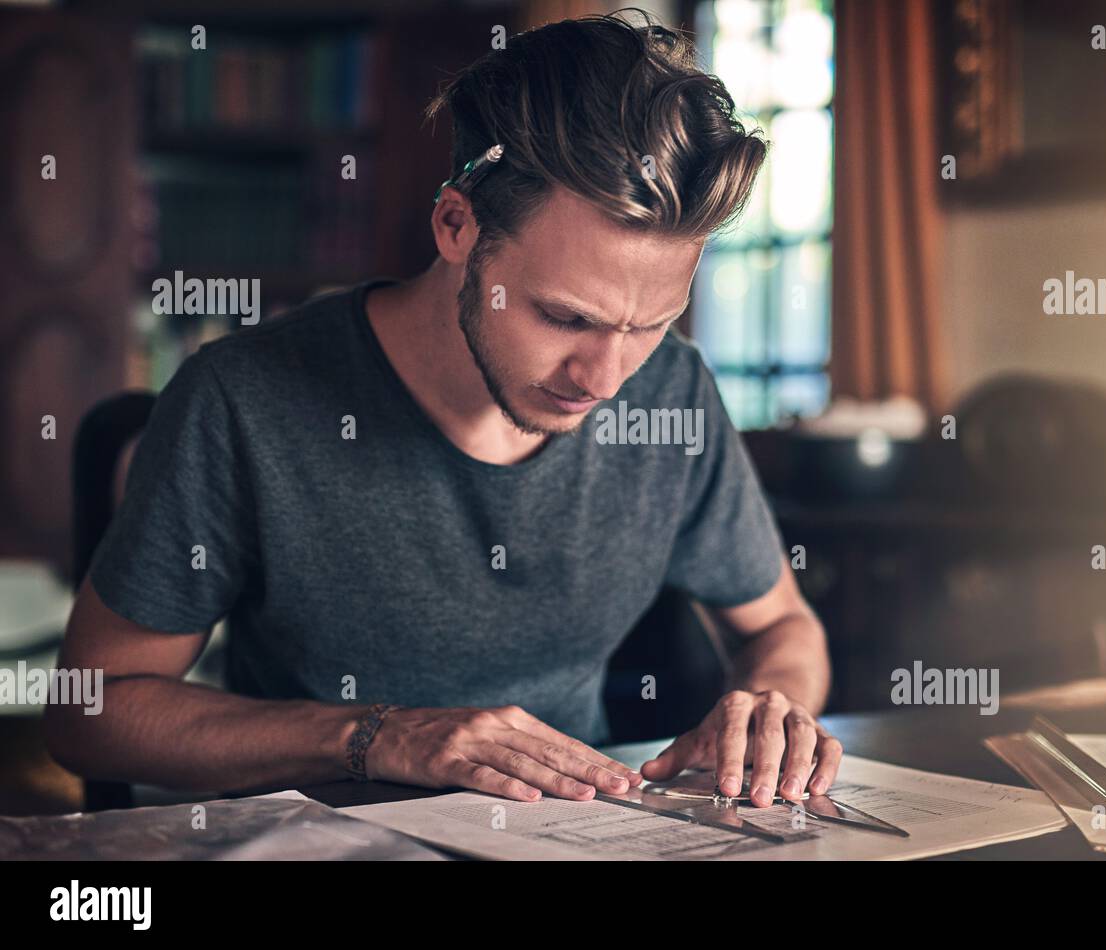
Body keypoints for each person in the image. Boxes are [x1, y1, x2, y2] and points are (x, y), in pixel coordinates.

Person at [46, 10, 839, 809]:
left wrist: (773, 706)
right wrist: (379, 737)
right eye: (565, 317)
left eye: (650, 325)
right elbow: (91, 711)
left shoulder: (673, 396)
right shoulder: (241, 399)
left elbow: (783, 628)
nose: (606, 376)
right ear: (457, 223)